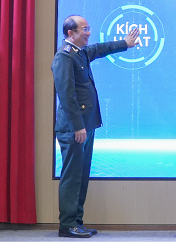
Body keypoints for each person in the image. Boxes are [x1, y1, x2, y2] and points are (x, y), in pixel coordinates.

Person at [52, 15, 140, 238]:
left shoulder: (79, 52)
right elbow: (66, 95)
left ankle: (77, 222)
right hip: (75, 128)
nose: (89, 33)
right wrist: (77, 125)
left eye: (89, 28)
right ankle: (67, 224)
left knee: (81, 176)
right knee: (72, 177)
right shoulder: (64, 56)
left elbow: (101, 48)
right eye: (84, 29)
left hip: (86, 125)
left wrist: (125, 43)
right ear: (71, 33)